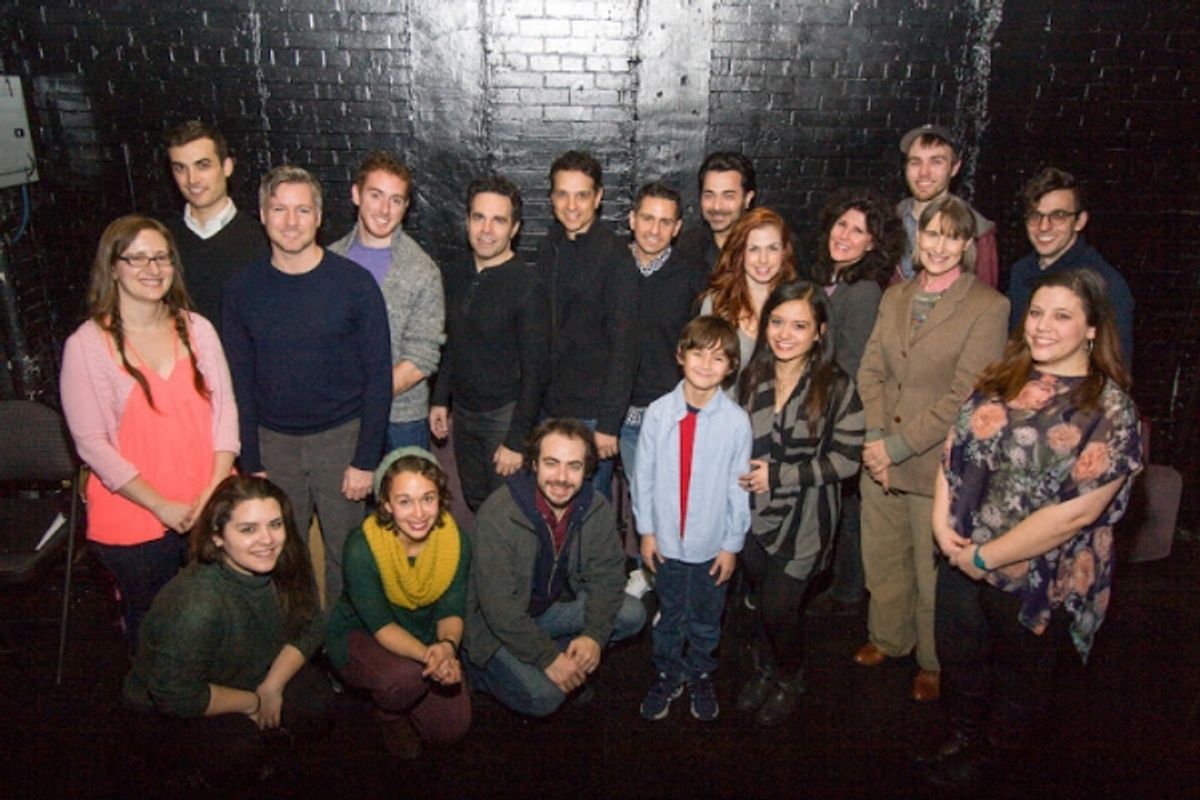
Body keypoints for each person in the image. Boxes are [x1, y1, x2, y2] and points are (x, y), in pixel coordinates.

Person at [922, 269, 1142, 787]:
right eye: (1037, 312)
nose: (1042, 326)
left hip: (1039, 574)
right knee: (961, 659)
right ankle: (962, 738)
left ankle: (998, 762)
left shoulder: (1109, 409)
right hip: (961, 554)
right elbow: (953, 453)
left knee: (1022, 683)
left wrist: (986, 557)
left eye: (1062, 316)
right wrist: (941, 524)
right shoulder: (1000, 379)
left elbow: (1078, 513)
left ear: (1092, 329)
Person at [855, 195, 1009, 702]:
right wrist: (876, 439)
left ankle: (932, 659)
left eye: (952, 236)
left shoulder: (988, 306)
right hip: (880, 457)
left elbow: (965, 396)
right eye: (932, 233)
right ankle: (889, 639)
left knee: (930, 570)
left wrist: (896, 446)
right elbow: (870, 370)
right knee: (883, 558)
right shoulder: (895, 296)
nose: (939, 245)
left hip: (935, 464)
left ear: (966, 244)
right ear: (917, 237)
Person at [60, 215, 238, 651]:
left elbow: (225, 416)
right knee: (159, 629)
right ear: (113, 267)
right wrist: (160, 505)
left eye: (160, 257)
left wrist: (213, 492)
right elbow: (91, 445)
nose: (151, 268)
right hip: (136, 518)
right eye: (136, 258)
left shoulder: (199, 330)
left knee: (221, 619)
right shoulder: (86, 345)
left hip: (209, 506)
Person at [223, 165, 392, 605]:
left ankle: (338, 649)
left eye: (302, 209)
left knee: (346, 555)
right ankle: (295, 647)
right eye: (279, 209)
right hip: (272, 445)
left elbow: (379, 376)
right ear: (262, 214)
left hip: (341, 441)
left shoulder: (355, 285)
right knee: (280, 555)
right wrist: (251, 458)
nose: (291, 221)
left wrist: (364, 459)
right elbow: (238, 380)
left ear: (319, 217)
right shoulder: (242, 289)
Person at [123, 475, 332, 789]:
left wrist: (272, 687)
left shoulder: (286, 557)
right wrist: (252, 703)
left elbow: (312, 622)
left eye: (275, 524)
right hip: (167, 709)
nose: (267, 540)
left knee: (317, 702)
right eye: (248, 529)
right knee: (237, 750)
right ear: (218, 537)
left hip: (246, 673)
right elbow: (176, 696)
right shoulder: (198, 603)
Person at [735, 281, 864, 725]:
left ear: (820, 331)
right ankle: (767, 667)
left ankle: (791, 675)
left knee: (778, 607)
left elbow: (848, 461)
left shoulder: (836, 386)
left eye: (799, 325)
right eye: (777, 322)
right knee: (761, 600)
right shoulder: (753, 376)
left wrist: (780, 474)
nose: (784, 334)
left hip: (807, 516)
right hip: (752, 514)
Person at [464, 418, 647, 717]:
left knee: (632, 614)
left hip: (547, 611)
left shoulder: (595, 506)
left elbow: (608, 577)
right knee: (545, 697)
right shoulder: (499, 514)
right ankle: (480, 673)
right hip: (495, 626)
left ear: (587, 470)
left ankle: (552, 652)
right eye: (551, 463)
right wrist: (548, 658)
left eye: (574, 466)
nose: (561, 478)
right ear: (534, 463)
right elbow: (500, 610)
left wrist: (593, 636)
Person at [633, 316, 752, 722]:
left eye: (718, 357)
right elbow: (642, 477)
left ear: (731, 366)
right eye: (698, 353)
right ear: (680, 355)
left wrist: (731, 545)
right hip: (665, 541)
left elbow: (740, 488)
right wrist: (646, 531)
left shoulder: (736, 422)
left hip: (710, 545)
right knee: (669, 613)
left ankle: (701, 671)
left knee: (705, 618)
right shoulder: (658, 413)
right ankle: (668, 672)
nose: (705, 364)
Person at [326, 448, 471, 759]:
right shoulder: (362, 547)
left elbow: (451, 609)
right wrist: (429, 657)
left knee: (451, 728)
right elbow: (381, 626)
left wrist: (446, 647)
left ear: (440, 498)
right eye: (405, 501)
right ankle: (389, 716)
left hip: (424, 634)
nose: (419, 513)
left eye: (428, 499)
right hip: (362, 634)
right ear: (387, 504)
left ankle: (409, 692)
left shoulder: (455, 541)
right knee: (402, 680)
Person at [807, 187, 905, 616]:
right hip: (823, 408)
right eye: (841, 224)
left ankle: (848, 594)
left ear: (873, 243)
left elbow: (850, 364)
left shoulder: (863, 291)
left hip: (839, 415)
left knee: (847, 508)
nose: (844, 235)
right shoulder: (829, 280)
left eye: (858, 230)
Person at [430, 175, 549, 511]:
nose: (486, 229)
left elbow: (537, 372)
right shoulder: (456, 273)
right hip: (464, 414)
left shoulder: (527, 285)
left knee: (507, 510)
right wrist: (441, 399)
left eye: (498, 220)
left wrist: (516, 441)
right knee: (477, 502)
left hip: (504, 416)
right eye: (479, 217)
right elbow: (453, 341)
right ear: (467, 221)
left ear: (514, 229)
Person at [536, 151, 639, 498]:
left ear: (598, 198)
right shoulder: (549, 246)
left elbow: (626, 347)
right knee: (549, 505)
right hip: (551, 407)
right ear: (552, 198)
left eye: (582, 195)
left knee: (590, 510)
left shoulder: (616, 257)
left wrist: (609, 424)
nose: (571, 205)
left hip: (594, 415)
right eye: (562, 194)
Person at [329, 153, 445, 451]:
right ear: (356, 194)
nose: (384, 210)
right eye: (376, 195)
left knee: (408, 497)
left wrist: (362, 395)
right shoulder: (328, 261)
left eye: (395, 200)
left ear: (405, 207)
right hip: (336, 419)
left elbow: (422, 356)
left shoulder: (422, 270)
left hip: (401, 420)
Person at [620, 181, 708, 509]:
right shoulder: (612, 266)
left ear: (677, 228)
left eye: (665, 222)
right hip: (609, 415)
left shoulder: (694, 276)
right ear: (632, 219)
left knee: (662, 507)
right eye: (647, 218)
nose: (654, 230)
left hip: (666, 417)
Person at [1005, 166, 1134, 370]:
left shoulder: (1105, 283)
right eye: (1035, 216)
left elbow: (1116, 368)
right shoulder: (1020, 272)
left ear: (1079, 221)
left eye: (1058, 216)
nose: (1044, 227)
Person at [163, 120, 269, 330]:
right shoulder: (161, 240)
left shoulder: (263, 240)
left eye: (203, 165)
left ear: (227, 166)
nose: (192, 179)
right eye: (180, 168)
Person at [895, 124, 998, 288]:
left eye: (936, 162)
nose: (924, 172)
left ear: (954, 168)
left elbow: (985, 301)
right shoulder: (889, 222)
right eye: (915, 162)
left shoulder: (977, 231)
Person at [700, 207, 799, 374]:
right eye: (754, 249)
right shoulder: (717, 304)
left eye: (772, 248)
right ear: (740, 252)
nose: (763, 259)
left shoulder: (797, 305)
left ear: (784, 252)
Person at [676, 152, 757, 272]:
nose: (717, 206)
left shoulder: (768, 249)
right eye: (709, 195)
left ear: (747, 199)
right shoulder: (686, 249)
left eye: (728, 196)